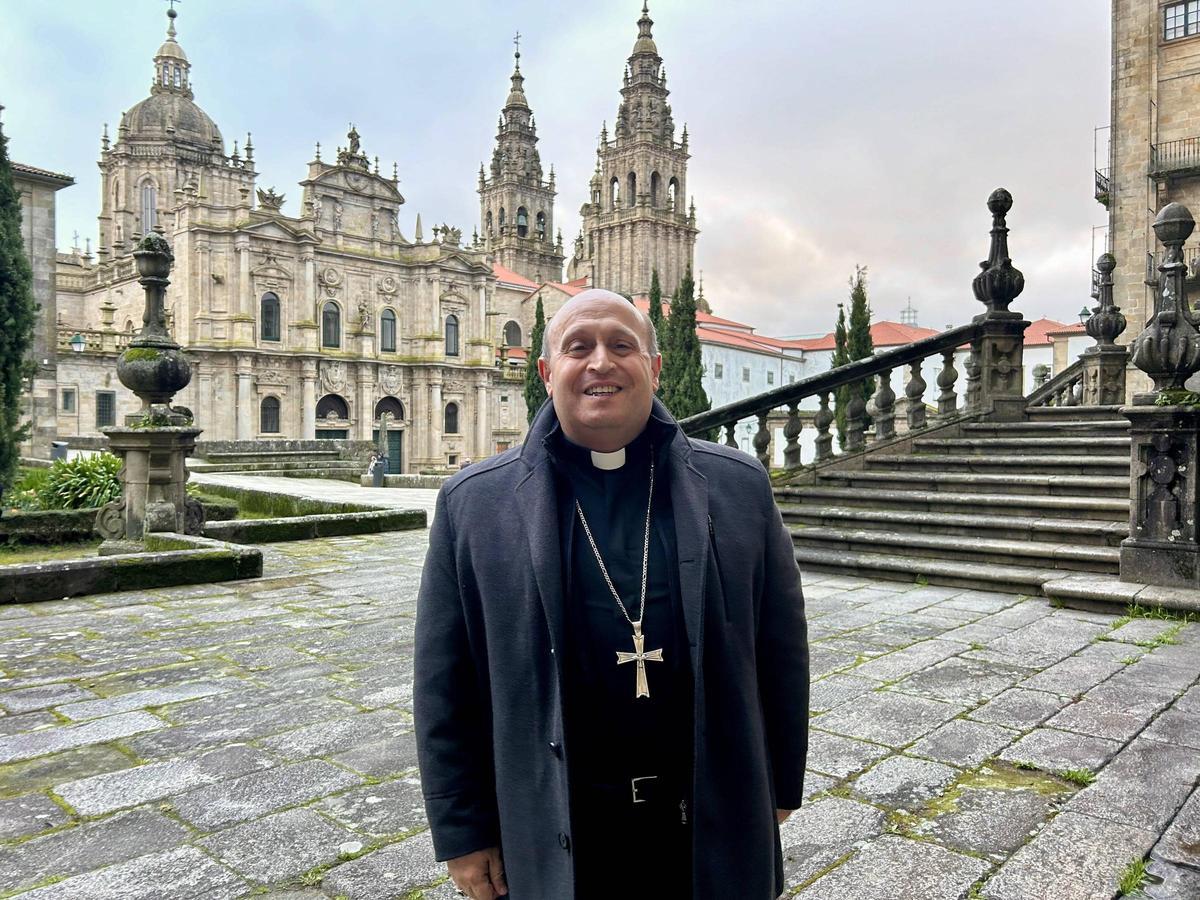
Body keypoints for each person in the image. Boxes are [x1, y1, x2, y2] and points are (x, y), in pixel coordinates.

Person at [414, 289, 809, 900]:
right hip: (558, 828)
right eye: (578, 347)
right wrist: (463, 832)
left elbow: (781, 651)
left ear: (654, 367)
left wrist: (777, 785)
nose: (601, 361)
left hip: (706, 818)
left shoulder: (737, 486)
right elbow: (446, 681)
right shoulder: (474, 504)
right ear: (547, 373)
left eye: (622, 345)